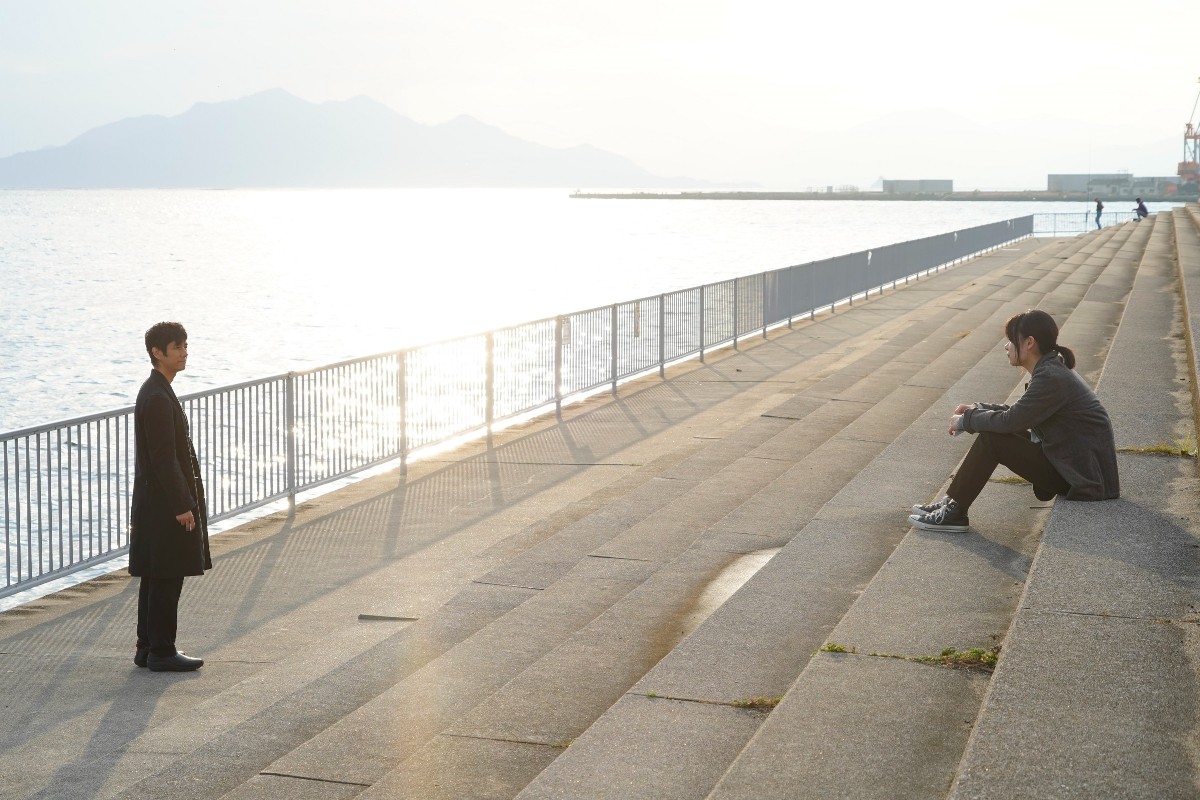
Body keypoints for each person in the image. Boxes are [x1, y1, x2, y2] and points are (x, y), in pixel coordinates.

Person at [909, 309, 1119, 533]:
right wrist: (977, 409)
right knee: (995, 433)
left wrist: (965, 421)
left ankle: (955, 510)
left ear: (1029, 343)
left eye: (1011, 340)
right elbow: (1021, 413)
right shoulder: (1051, 369)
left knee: (993, 440)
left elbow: (1012, 421)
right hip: (1076, 468)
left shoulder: (1051, 377)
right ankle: (953, 502)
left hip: (1084, 479)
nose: (1006, 346)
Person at [129, 322, 211, 671]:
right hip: (164, 504)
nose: (184, 352)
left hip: (153, 501)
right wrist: (183, 505)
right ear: (157, 352)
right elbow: (164, 458)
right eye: (176, 347)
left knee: (155, 574)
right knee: (167, 575)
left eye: (185, 346)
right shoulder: (158, 397)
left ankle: (148, 647)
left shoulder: (156, 390)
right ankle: (162, 651)